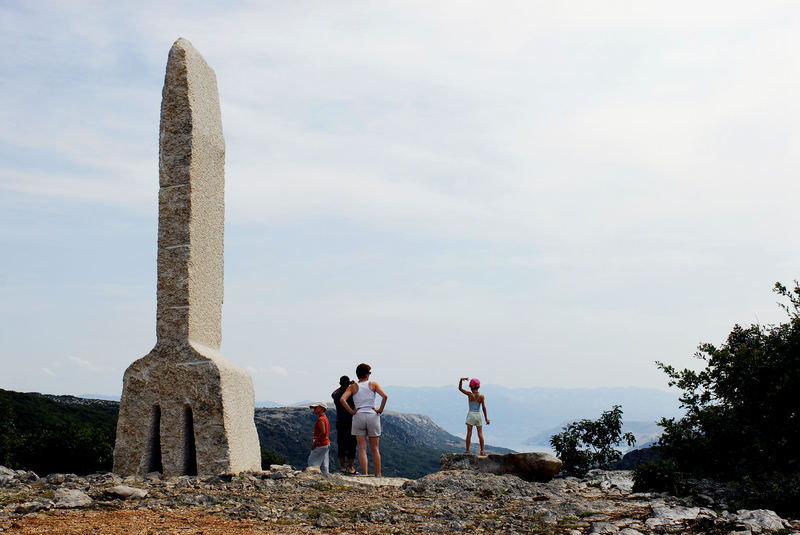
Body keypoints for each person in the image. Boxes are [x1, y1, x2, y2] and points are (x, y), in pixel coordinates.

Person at [339, 363, 388, 477]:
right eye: (369, 373)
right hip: (372, 414)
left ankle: (365, 473)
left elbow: (342, 399)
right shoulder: (373, 384)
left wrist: (352, 411)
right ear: (366, 374)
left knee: (362, 447)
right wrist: (380, 409)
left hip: (358, 415)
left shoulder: (353, 387)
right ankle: (378, 474)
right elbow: (385, 396)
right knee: (375, 448)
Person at [331, 375, 357, 473]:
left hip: (340, 422)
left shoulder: (337, 395)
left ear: (340, 384)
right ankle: (351, 468)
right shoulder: (351, 395)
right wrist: (352, 385)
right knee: (352, 444)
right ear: (348, 384)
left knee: (341, 444)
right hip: (351, 422)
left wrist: (342, 386)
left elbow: (333, 393)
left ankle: (342, 467)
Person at [459, 377, 490, 456]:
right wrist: (486, 419)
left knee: (469, 433)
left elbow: (460, 389)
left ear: (471, 386)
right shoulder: (482, 396)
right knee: (480, 433)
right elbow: (483, 407)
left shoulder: (469, 394)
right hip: (478, 415)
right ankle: (482, 451)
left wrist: (461, 380)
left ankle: (468, 450)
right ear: (478, 386)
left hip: (471, 415)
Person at [307, 401, 330, 473]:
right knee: (324, 465)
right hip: (326, 443)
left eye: (316, 408)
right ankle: (326, 478)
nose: (314, 409)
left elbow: (323, 432)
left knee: (312, 462)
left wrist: (315, 443)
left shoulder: (321, 419)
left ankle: (313, 479)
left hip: (320, 444)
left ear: (321, 408)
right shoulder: (325, 418)